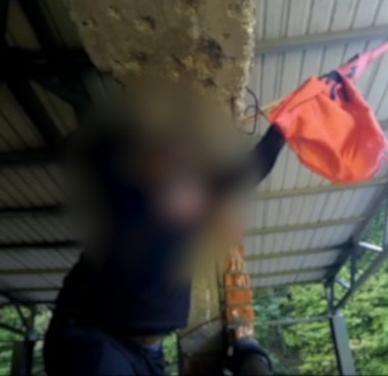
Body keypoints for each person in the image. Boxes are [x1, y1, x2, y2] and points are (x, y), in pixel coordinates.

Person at [43, 87, 283, 375]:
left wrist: (284, 126)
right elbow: (85, 149)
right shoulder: (121, 187)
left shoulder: (195, 190)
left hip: (148, 350)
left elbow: (252, 169)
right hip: (95, 338)